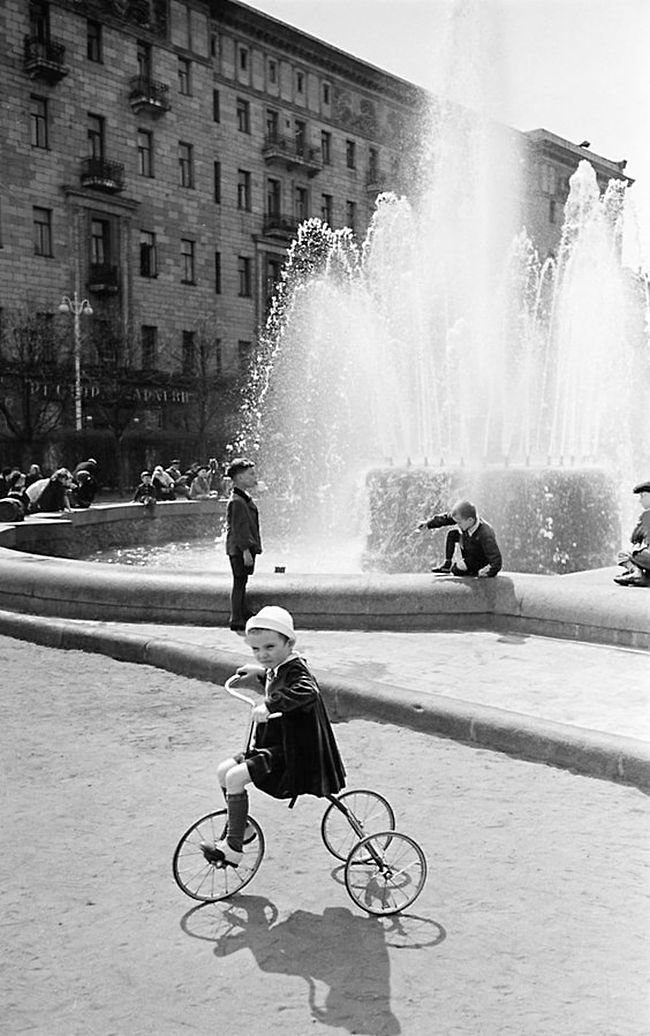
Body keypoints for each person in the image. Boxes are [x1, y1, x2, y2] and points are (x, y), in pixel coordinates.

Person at [201, 606, 346, 867]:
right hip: (272, 745)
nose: (262, 655)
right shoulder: (278, 668)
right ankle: (242, 829)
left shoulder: (296, 670)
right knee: (224, 771)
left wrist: (270, 705)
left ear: (289, 643)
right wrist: (259, 675)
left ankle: (233, 849)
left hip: (293, 753)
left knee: (235, 777)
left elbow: (305, 691)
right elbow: (276, 681)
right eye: (256, 650)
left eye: (269, 647)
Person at [417, 498, 502, 577]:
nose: (457, 524)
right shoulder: (464, 519)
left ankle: (469, 570)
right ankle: (447, 563)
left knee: (457, 569)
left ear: (470, 520)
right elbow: (445, 518)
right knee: (452, 534)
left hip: (478, 558)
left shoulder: (485, 533)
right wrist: (428, 524)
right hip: (468, 544)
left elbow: (496, 560)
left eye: (459, 523)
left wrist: (488, 572)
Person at [225, 458, 262, 631]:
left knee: (242, 580)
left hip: (241, 548)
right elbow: (240, 529)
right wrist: (246, 551)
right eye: (251, 474)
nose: (255, 477)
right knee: (239, 581)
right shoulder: (237, 501)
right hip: (240, 549)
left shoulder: (242, 498)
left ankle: (242, 610)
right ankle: (236, 618)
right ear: (239, 478)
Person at [614, 481, 650, 587]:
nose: (640, 501)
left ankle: (636, 573)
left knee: (626, 554)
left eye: (643, 496)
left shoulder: (647, 516)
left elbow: (634, 538)